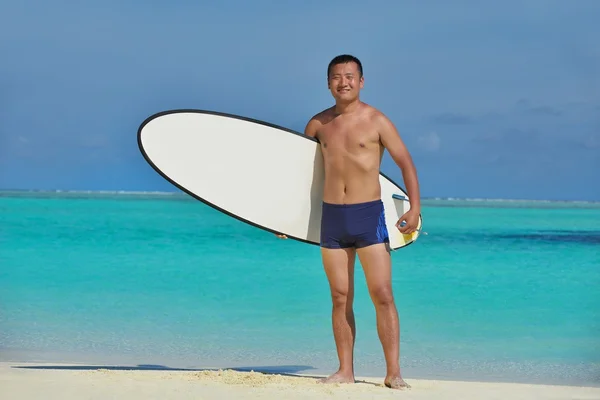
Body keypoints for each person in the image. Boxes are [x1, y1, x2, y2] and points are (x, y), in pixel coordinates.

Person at [278, 54, 420, 390]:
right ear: (328, 84)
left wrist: (413, 208)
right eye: (337, 77)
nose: (344, 82)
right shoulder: (318, 125)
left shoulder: (377, 121)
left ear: (361, 81)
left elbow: (406, 163)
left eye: (350, 76)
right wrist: (284, 218)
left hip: (368, 215)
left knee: (382, 294)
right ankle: (345, 370)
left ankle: (393, 371)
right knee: (340, 296)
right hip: (332, 218)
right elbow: (304, 177)